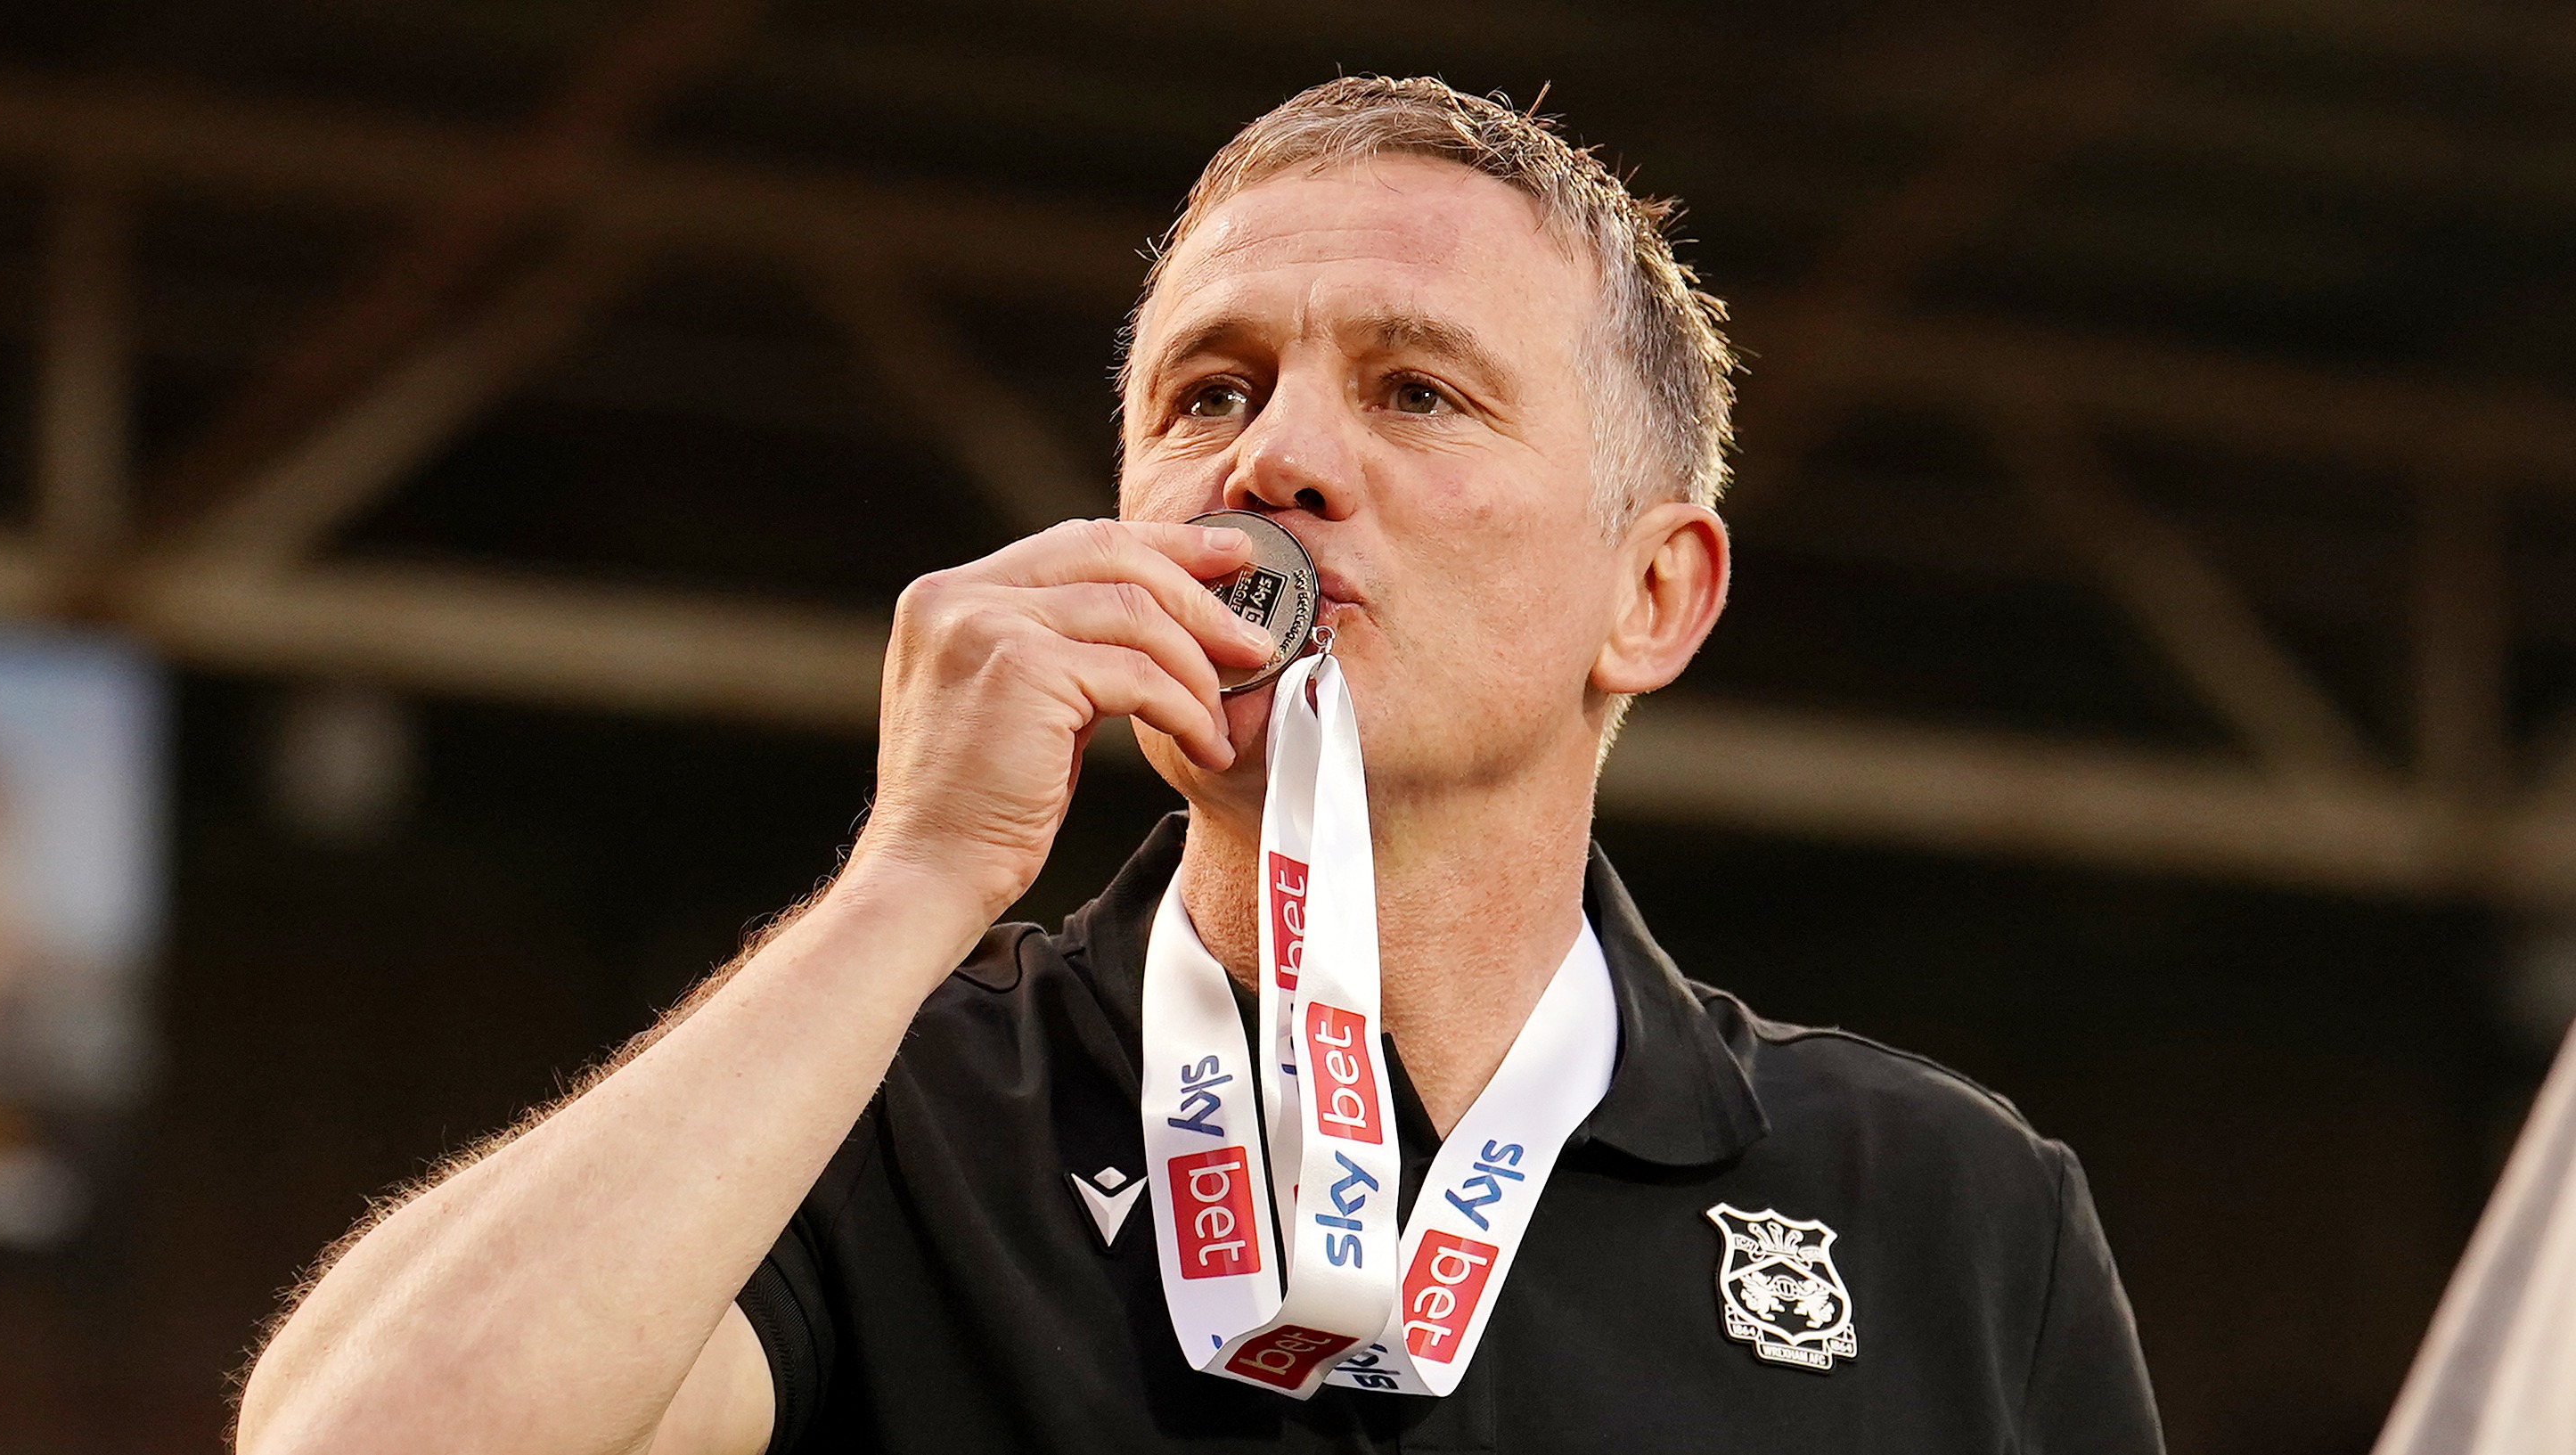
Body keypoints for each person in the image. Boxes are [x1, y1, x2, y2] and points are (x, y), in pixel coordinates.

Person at [235, 78, 2162, 1455]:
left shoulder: (1948, 1215)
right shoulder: (886, 1121)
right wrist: (912, 879)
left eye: (1417, 390)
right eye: (1209, 393)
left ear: (1651, 596)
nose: (1273, 461)